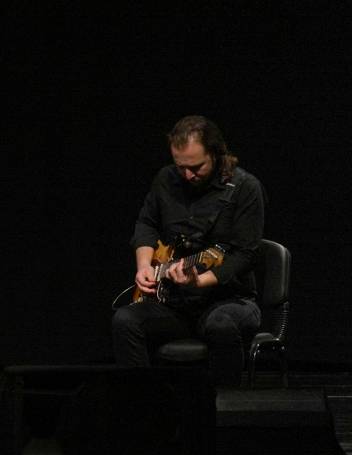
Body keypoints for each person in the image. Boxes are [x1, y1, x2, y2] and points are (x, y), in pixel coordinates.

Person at [111, 115, 265, 386]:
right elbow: (146, 223)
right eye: (180, 166)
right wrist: (144, 267)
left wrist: (199, 281)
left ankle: (223, 405)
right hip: (176, 303)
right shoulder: (166, 179)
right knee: (125, 320)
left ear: (216, 154)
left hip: (229, 300)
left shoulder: (245, 188)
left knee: (220, 325)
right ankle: (141, 401)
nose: (187, 175)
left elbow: (245, 254)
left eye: (196, 167)